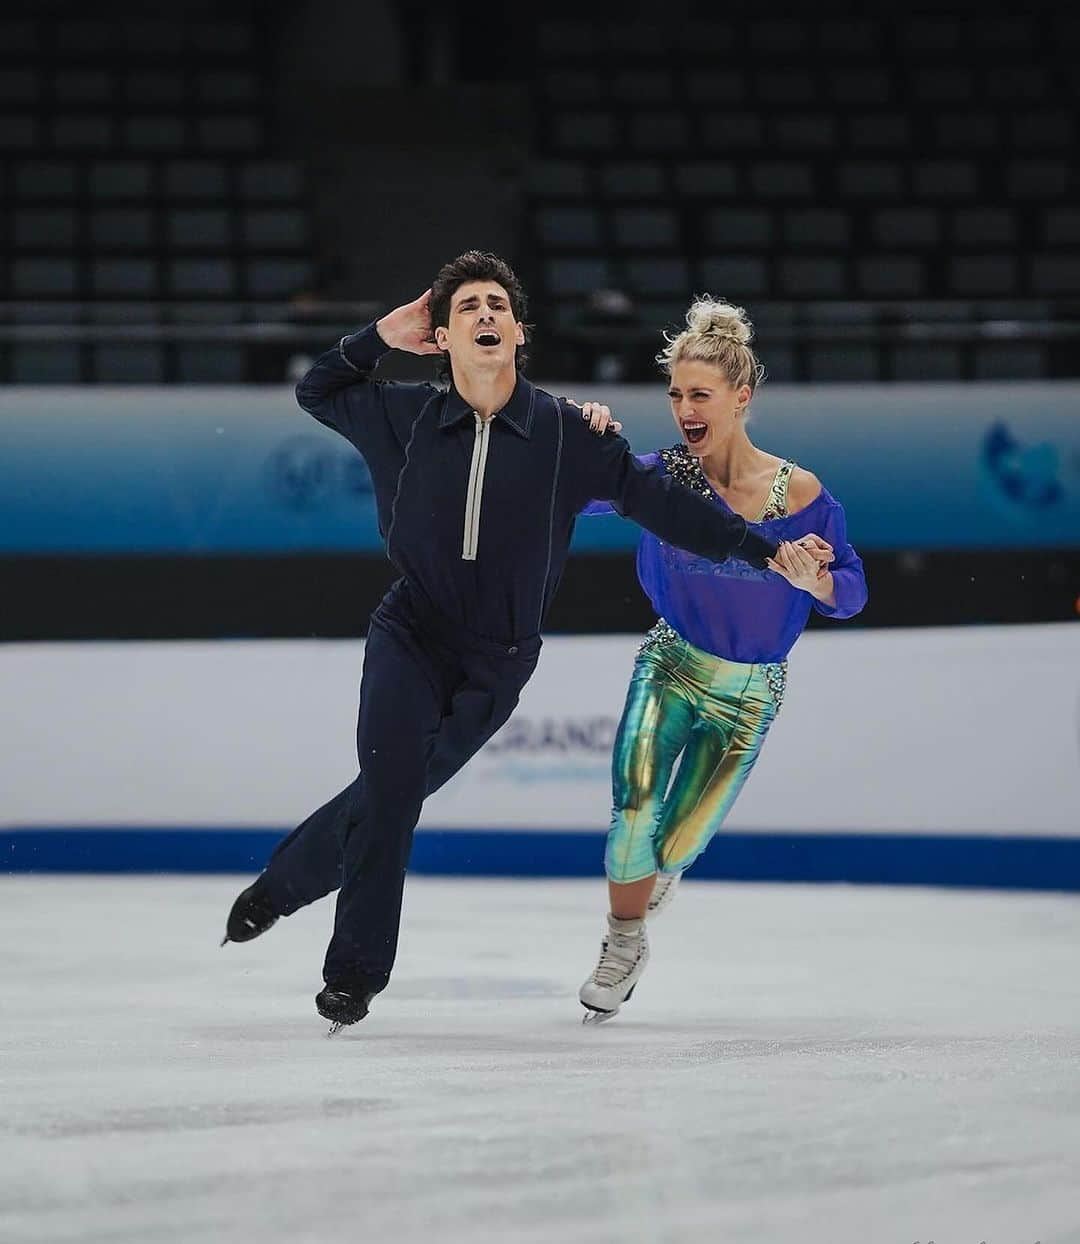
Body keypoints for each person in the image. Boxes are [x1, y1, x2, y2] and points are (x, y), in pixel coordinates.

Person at [220, 252, 797, 1032]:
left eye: (497, 304)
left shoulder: (568, 434)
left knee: (392, 796)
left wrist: (763, 548)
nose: (485, 314)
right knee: (391, 796)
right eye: (467, 308)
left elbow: (658, 502)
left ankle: (275, 889)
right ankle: (352, 977)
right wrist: (382, 334)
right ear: (445, 336)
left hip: (499, 657)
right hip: (411, 632)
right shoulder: (403, 416)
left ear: (519, 332)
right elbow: (316, 388)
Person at [576, 295, 868, 1023]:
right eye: (675, 394)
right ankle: (623, 940)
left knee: (678, 839)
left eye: (698, 394)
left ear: (741, 398)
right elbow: (576, 495)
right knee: (632, 812)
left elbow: (852, 593)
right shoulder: (661, 476)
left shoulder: (801, 494)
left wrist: (817, 579)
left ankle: (662, 869)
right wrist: (583, 442)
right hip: (670, 665)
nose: (682, 408)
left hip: (749, 695)